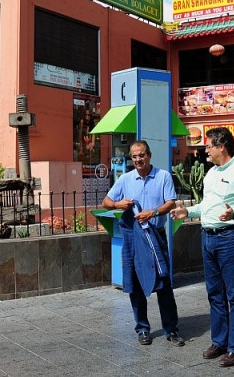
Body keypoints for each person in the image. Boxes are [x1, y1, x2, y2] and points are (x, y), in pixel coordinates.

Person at [171, 127, 234, 367]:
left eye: (209, 146)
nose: (205, 149)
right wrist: (188, 211)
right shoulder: (210, 174)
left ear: (222, 146)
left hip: (231, 237)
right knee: (214, 293)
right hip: (207, 237)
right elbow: (207, 205)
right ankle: (219, 341)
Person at [102, 140, 185, 347]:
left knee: (164, 285)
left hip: (156, 236)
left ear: (149, 155)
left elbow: (170, 203)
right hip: (133, 239)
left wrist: (153, 212)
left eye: (141, 155)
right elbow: (106, 201)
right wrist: (117, 204)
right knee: (135, 285)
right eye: (134, 156)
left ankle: (171, 329)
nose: (138, 160)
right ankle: (142, 329)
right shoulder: (126, 179)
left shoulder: (163, 176)